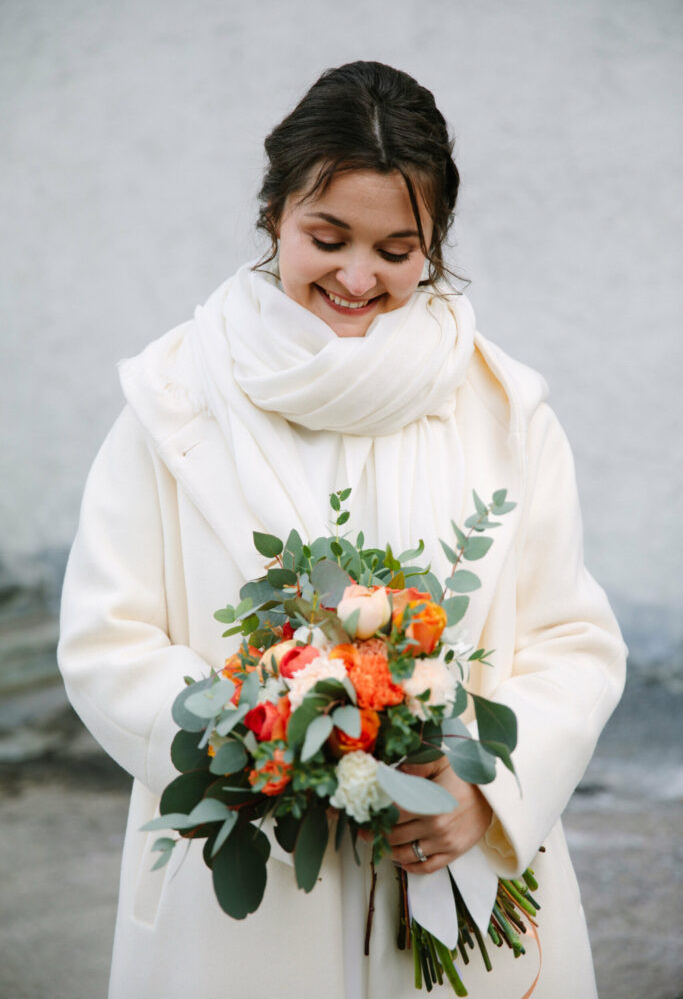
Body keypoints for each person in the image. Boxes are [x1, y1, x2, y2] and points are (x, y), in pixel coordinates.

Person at [57, 61, 626, 998]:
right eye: (327, 237)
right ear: (274, 212)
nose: (358, 277)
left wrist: (483, 794)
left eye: (398, 250)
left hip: (456, 878)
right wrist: (275, 750)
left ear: (433, 243)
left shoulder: (505, 411)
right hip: (244, 907)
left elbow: (571, 638)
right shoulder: (173, 403)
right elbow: (107, 641)